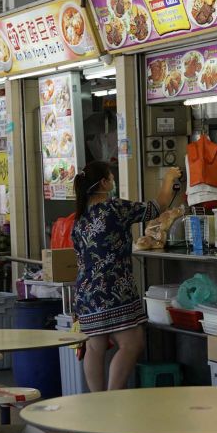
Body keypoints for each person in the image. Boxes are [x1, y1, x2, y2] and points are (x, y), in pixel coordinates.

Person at [72, 161, 181, 393]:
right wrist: (169, 178)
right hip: (114, 289)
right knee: (132, 343)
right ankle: (113, 397)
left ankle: (97, 401)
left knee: (94, 346)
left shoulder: (80, 219)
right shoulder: (113, 208)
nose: (113, 182)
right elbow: (156, 207)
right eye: (111, 178)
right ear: (103, 183)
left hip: (86, 293)